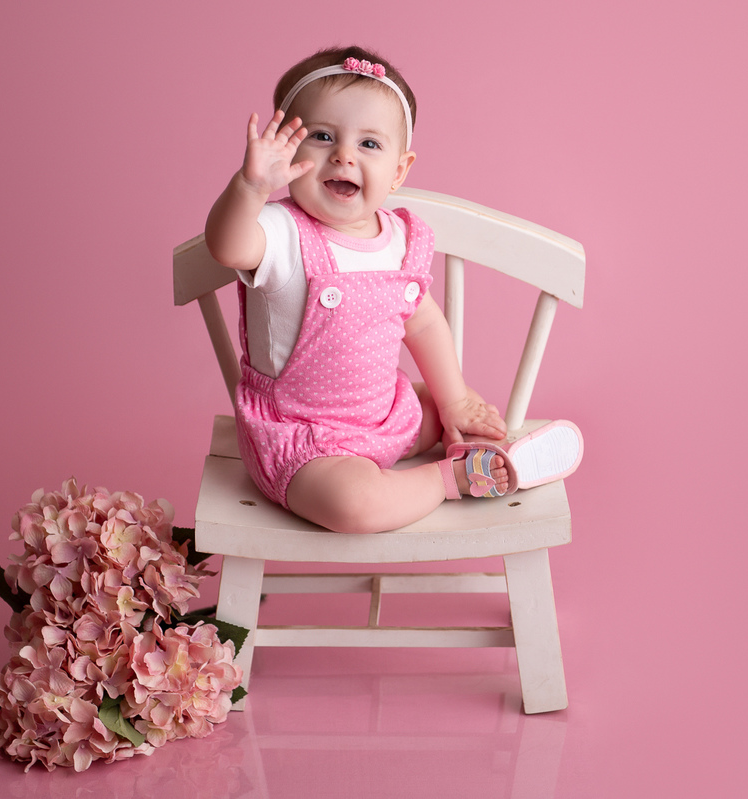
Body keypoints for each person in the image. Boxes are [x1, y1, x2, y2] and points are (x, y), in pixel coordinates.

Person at [204, 46, 581, 534]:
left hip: (386, 416)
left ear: (399, 171)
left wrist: (453, 401)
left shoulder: (401, 239)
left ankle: (478, 447)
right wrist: (251, 187)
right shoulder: (280, 231)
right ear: (288, 152)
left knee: (454, 405)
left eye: (369, 144)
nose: (343, 155)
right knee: (354, 505)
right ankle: (452, 478)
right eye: (321, 136)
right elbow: (227, 247)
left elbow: (423, 323)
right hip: (305, 439)